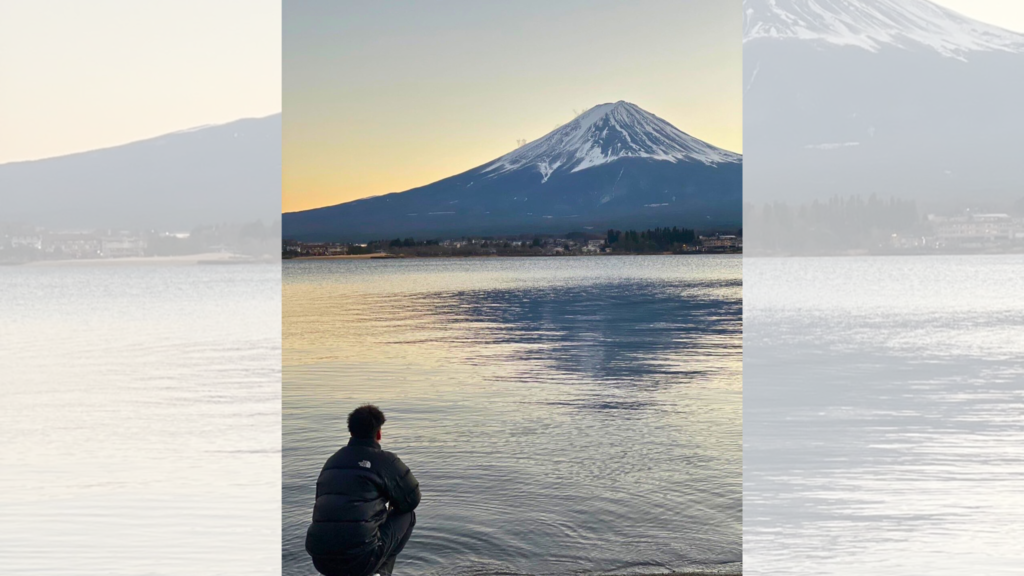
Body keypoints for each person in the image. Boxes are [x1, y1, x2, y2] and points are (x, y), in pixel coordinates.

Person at [306, 405, 421, 576]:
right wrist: (388, 507)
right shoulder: (385, 461)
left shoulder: (332, 461)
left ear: (351, 433)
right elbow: (412, 499)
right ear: (379, 434)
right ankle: (380, 573)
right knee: (407, 515)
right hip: (360, 560)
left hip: (321, 559)